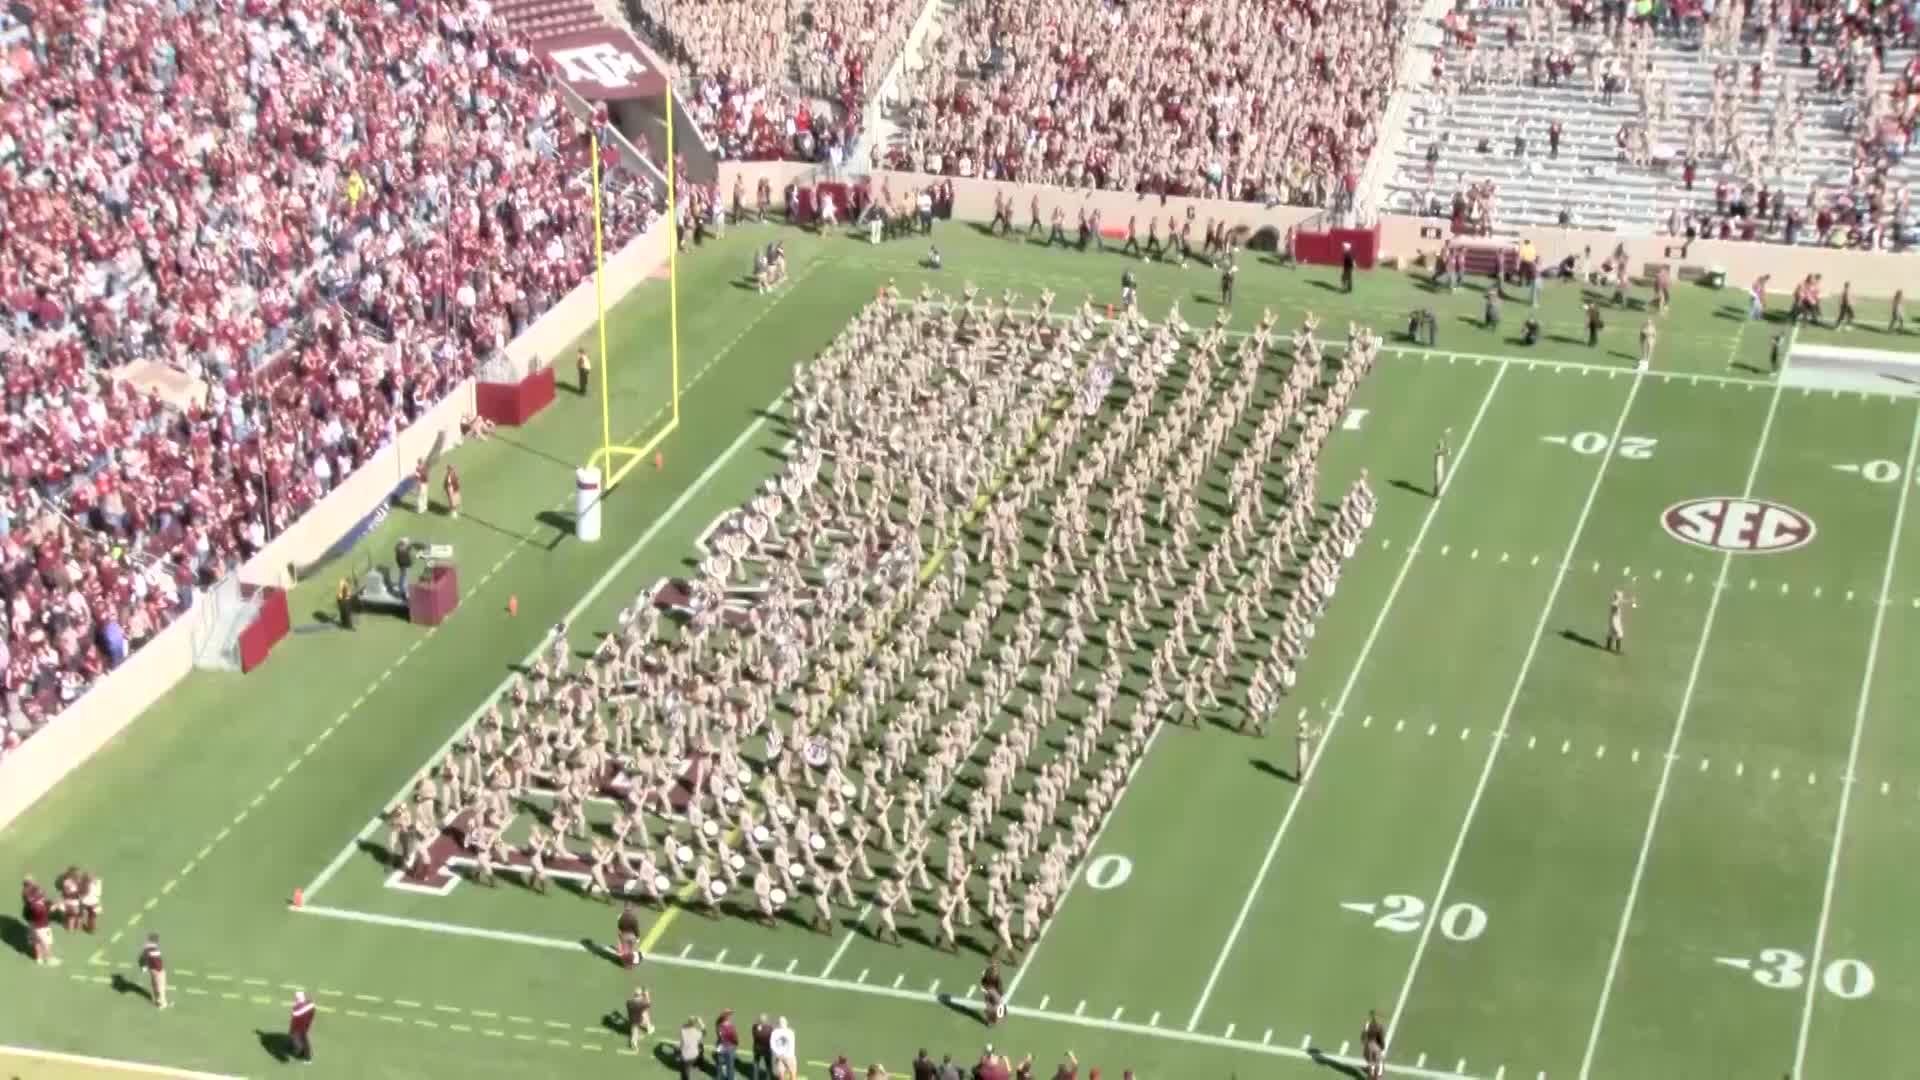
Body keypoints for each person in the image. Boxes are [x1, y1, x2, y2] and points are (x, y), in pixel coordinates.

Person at [139, 933, 169, 1009]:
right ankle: (163, 1004)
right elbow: (156, 961)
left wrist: (144, 967)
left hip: (152, 969)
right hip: (158, 970)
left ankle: (157, 1000)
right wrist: (160, 970)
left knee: (155, 984)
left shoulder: (146, 948)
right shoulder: (152, 949)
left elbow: (142, 958)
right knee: (161, 986)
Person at [288, 991, 317, 1063]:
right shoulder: (310, 1004)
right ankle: (305, 1055)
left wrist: (291, 1029)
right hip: (305, 1026)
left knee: (299, 1040)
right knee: (303, 1040)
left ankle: (302, 1054)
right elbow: (312, 1014)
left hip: (298, 1028)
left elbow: (294, 1020)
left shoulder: (297, 1009)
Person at [1606, 588, 1635, 654]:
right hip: (1614, 621)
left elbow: (1623, 601)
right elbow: (1615, 608)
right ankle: (1617, 651)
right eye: (1621, 596)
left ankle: (1608, 647)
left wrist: (1631, 600)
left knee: (1611, 633)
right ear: (1618, 597)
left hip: (1613, 620)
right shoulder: (1614, 604)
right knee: (1619, 634)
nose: (1622, 597)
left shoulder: (1616, 602)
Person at [677, 1016, 706, 1080]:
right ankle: (698, 1070)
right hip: (694, 1055)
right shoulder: (697, 1033)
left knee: (684, 1074)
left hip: (685, 1056)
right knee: (700, 1047)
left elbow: (684, 1026)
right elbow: (704, 1032)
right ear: (695, 1025)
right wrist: (701, 1022)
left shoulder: (683, 1031)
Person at [715, 1009, 741, 1080]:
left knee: (719, 1064)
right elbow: (735, 1038)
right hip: (729, 1047)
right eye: (729, 1015)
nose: (730, 1016)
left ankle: (719, 1077)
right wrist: (736, 1044)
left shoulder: (718, 1024)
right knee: (730, 1065)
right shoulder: (730, 1027)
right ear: (727, 1018)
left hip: (720, 1046)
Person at [1362, 1010, 1388, 1080]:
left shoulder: (1367, 1024)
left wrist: (1364, 1044)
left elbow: (1363, 1035)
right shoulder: (1380, 1026)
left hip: (1368, 1045)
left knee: (1370, 1061)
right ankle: (1376, 1077)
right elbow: (1381, 1037)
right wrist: (1382, 1046)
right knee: (1378, 1062)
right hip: (1376, 1046)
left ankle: (1370, 1076)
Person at [616, 901, 642, 967]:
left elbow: (619, 927)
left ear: (624, 907)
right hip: (632, 936)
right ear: (631, 908)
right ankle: (631, 963)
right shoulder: (633, 917)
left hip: (624, 935)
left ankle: (625, 964)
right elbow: (636, 928)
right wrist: (638, 936)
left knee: (625, 951)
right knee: (632, 951)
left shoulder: (620, 917)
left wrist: (620, 936)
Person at [751, 1014, 776, 1080]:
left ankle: (755, 1078)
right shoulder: (769, 1028)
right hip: (766, 1049)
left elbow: (754, 1035)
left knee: (756, 1065)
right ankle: (768, 1078)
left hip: (757, 1049)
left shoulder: (755, 1027)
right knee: (768, 1066)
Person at [1433, 429, 1451, 497]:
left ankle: (1436, 492)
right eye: (1440, 445)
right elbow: (1440, 453)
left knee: (1440, 481)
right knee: (1438, 482)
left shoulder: (1440, 450)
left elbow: (1443, 443)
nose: (1441, 445)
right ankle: (1436, 494)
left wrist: (1446, 434)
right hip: (1437, 469)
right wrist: (1446, 452)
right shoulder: (1436, 451)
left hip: (1441, 467)